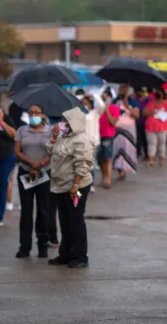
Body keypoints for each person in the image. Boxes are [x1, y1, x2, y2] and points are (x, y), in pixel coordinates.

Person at [46, 108, 94, 269]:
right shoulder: (63, 137)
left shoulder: (81, 140)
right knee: (64, 220)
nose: (63, 124)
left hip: (76, 185)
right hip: (60, 185)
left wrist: (75, 185)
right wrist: (53, 137)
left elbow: (83, 163)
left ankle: (80, 256)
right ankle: (65, 254)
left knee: (76, 220)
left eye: (66, 121)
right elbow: (51, 152)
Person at [14, 104, 53, 259]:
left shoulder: (50, 131)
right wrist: (31, 163)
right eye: (31, 113)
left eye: (37, 112)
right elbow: (17, 151)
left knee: (43, 210)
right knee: (26, 211)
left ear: (43, 115)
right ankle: (25, 246)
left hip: (44, 173)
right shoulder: (22, 130)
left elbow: (54, 151)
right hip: (26, 172)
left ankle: (43, 245)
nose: (33, 115)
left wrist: (40, 164)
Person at [143, 89, 167, 167]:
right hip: (151, 127)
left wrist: (163, 114)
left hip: (162, 127)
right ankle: (151, 160)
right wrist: (152, 113)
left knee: (161, 144)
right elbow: (144, 113)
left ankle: (160, 160)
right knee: (152, 144)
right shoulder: (151, 104)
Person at [98, 89, 120, 188]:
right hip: (98, 136)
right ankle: (104, 177)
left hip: (108, 136)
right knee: (100, 159)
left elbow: (113, 122)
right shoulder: (98, 108)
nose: (104, 98)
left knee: (108, 158)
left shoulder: (114, 108)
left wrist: (106, 110)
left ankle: (108, 179)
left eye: (105, 96)